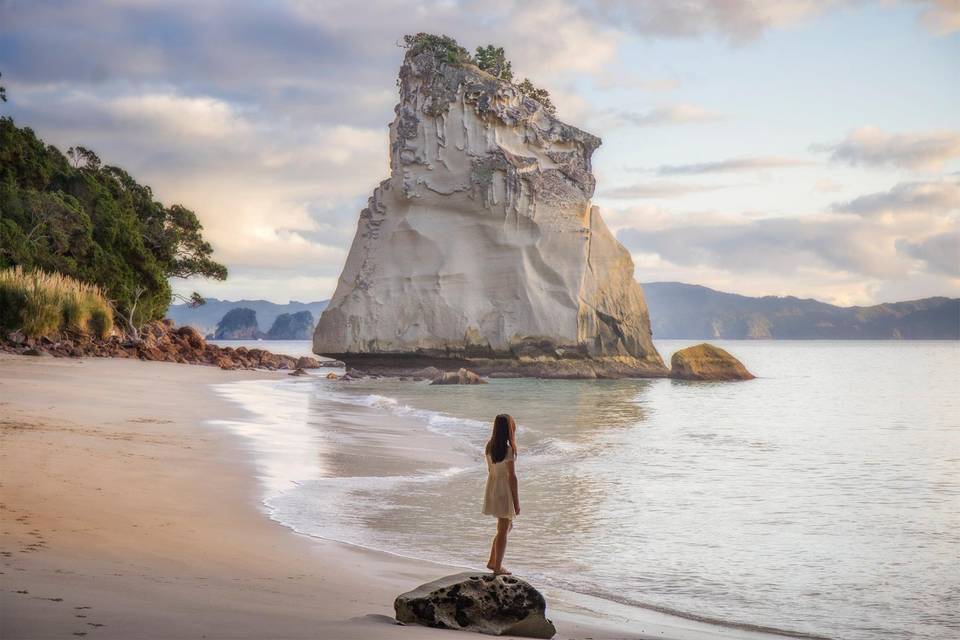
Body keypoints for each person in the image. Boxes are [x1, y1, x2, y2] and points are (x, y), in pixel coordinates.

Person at [483, 413, 520, 575]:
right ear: (509, 429)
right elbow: (512, 477)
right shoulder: (508, 449)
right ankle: (498, 567)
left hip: (492, 487)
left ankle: (492, 562)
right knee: (504, 528)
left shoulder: (489, 446)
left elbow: (490, 470)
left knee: (505, 526)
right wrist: (516, 502)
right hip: (504, 490)